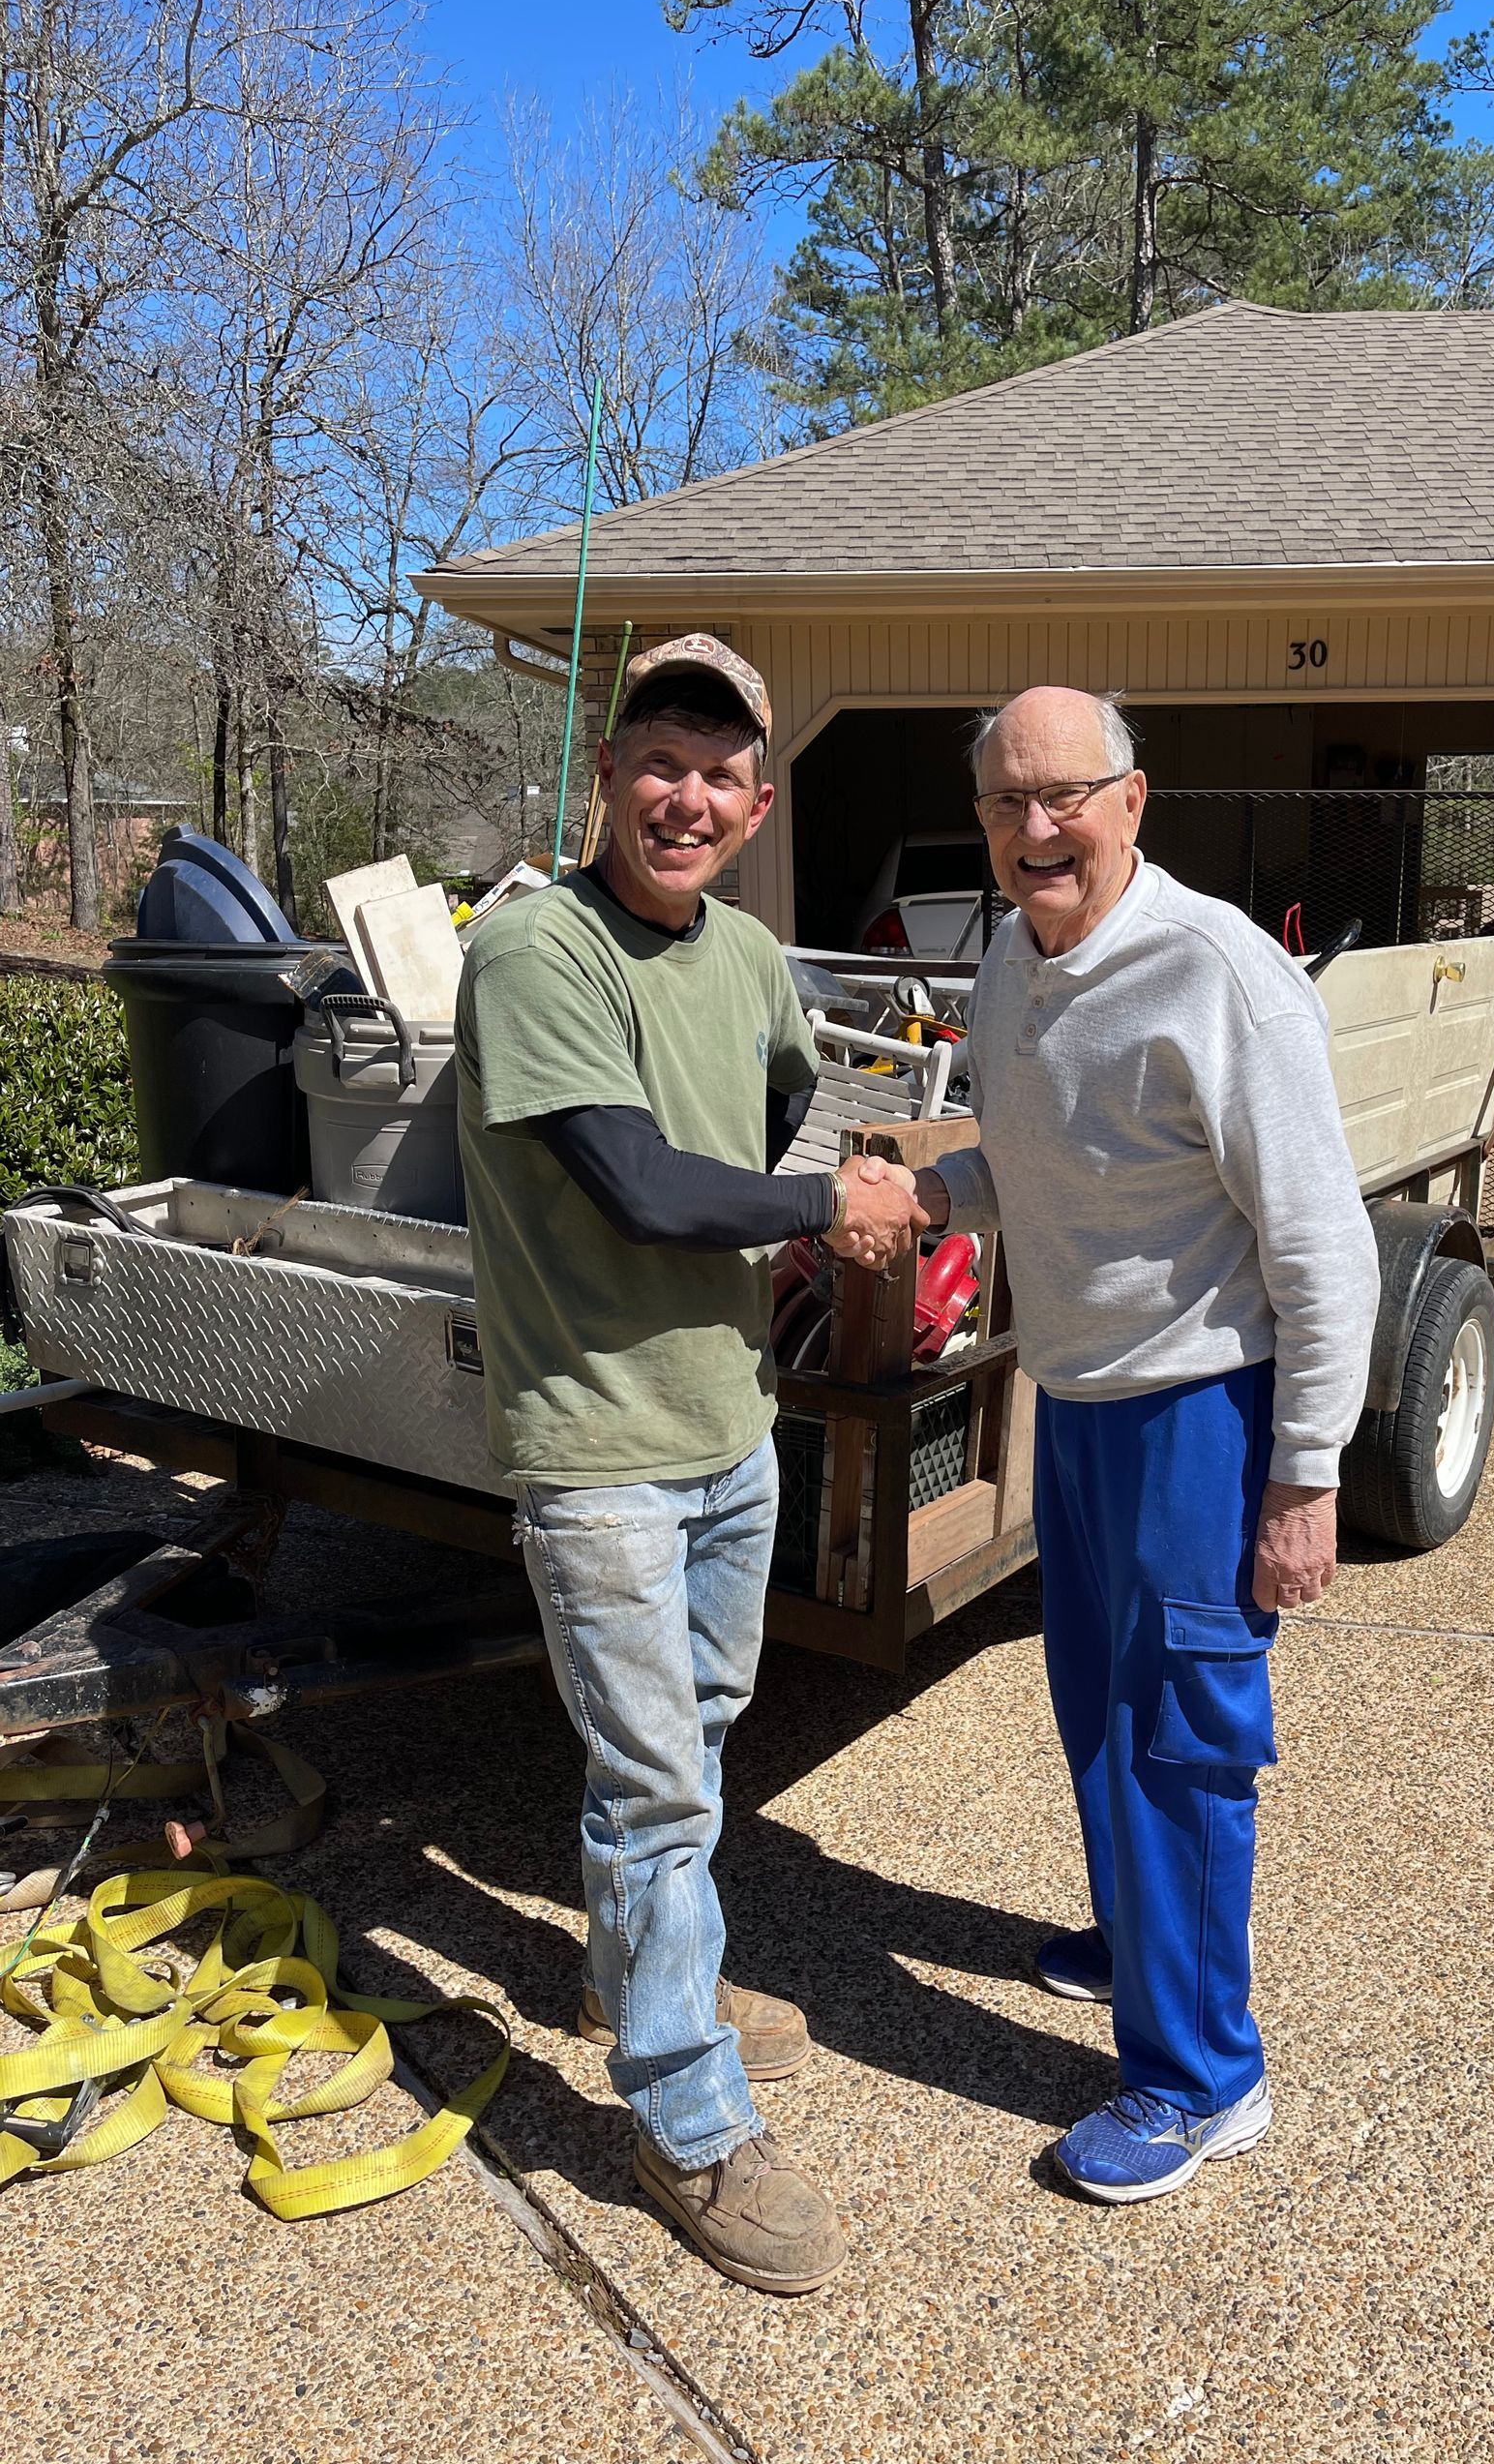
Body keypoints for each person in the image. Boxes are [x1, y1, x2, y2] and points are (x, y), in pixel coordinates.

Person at [455, 633, 924, 2294]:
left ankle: (644, 1972)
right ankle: (685, 2115)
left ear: (755, 800)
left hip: (731, 1430)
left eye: (722, 774)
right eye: (662, 759)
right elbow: (645, 1186)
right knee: (655, 1784)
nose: (689, 797)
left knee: (697, 1747)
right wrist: (829, 1209)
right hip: (601, 1454)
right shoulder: (532, 952)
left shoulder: (739, 956)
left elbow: (797, 1092)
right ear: (607, 773)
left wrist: (857, 1145)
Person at [911, 685, 1380, 2205]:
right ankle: (1141, 1937)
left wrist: (1305, 1476)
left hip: (1201, 1414)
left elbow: (1323, 1245)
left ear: (1133, 800)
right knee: (1099, 1710)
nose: (1034, 829)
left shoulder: (1218, 976)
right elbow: (1043, 1158)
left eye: (1066, 796)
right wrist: (924, 1196)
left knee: (1184, 1739)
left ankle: (1200, 2080)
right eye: (1004, 802)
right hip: (1083, 1401)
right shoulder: (1008, 960)